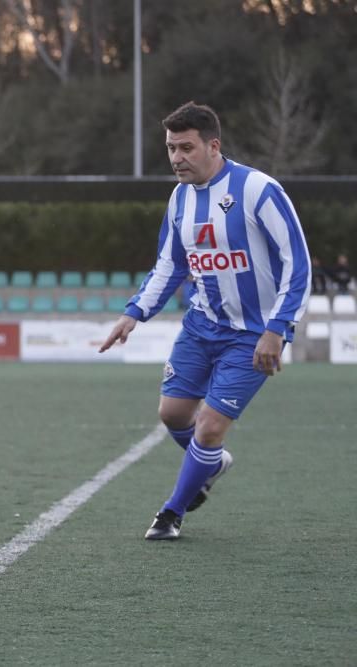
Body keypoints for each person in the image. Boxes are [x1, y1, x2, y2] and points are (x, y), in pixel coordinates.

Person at [99, 102, 310, 541]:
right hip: (201, 325)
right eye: (171, 148)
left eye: (186, 147)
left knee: (210, 426)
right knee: (173, 414)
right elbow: (170, 264)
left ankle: (171, 513)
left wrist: (278, 327)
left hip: (252, 334)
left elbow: (297, 262)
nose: (177, 157)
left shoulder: (257, 189)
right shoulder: (179, 198)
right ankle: (212, 462)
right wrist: (133, 313)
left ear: (213, 146)